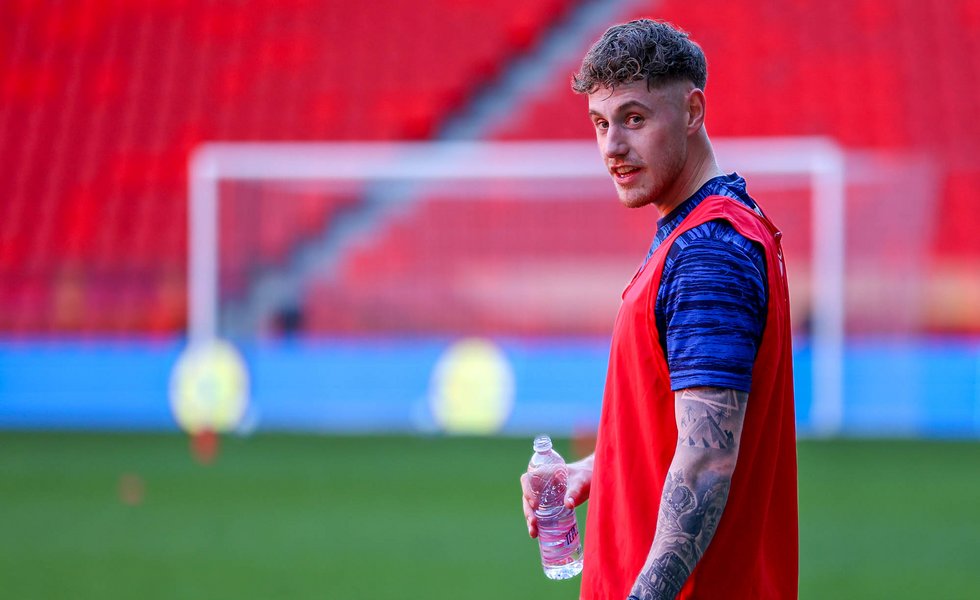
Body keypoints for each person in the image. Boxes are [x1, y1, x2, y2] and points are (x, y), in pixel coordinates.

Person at [520, 19, 798, 599]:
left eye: (634, 119)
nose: (612, 147)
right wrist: (597, 468)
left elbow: (705, 463)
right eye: (600, 123)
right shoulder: (706, 232)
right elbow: (683, 433)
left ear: (693, 111)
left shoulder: (707, 253)